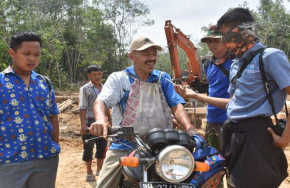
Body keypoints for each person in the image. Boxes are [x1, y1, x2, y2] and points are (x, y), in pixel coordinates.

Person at [175, 8, 290, 188]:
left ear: (241, 31)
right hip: (234, 133)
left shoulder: (270, 57)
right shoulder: (237, 63)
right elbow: (232, 103)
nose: (221, 40)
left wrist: (285, 139)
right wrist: (195, 95)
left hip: (257, 134)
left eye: (222, 34)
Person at [89, 36, 198, 187]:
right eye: (146, 54)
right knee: (104, 184)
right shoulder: (119, 78)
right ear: (132, 56)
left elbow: (176, 104)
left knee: (187, 177)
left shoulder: (162, 78)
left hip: (161, 144)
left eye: (154, 54)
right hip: (125, 143)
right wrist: (101, 119)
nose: (152, 58)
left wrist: (189, 128)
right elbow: (101, 101)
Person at [0, 32, 60, 188]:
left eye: (37, 54)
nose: (32, 58)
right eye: (26, 53)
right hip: (9, 161)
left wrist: (54, 145)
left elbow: (53, 115)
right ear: (12, 53)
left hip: (45, 160)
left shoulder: (45, 83)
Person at [199, 25, 235, 151]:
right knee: (213, 160)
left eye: (215, 40)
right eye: (209, 41)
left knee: (232, 159)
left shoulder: (236, 62)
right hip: (212, 119)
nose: (212, 45)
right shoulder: (208, 64)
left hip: (230, 120)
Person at [79, 65, 110, 182]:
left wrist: (110, 119)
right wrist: (83, 124)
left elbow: (105, 106)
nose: (97, 77)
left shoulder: (105, 88)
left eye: (99, 74)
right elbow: (82, 107)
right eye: (94, 74)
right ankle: (89, 172)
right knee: (88, 147)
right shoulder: (85, 89)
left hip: (103, 122)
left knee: (102, 146)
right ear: (89, 75)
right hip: (90, 121)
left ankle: (99, 170)